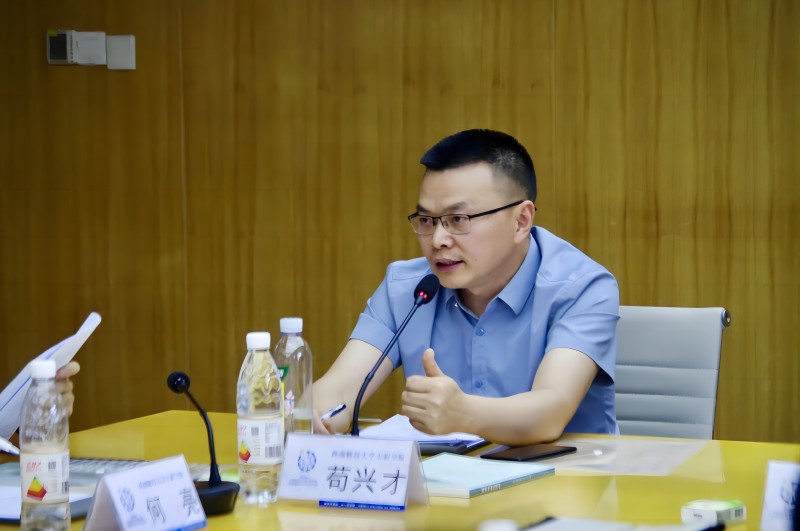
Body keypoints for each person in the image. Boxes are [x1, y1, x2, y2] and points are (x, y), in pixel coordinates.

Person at [312, 129, 619, 445]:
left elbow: (550, 411)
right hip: (443, 476)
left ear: (521, 221)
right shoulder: (407, 289)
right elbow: (339, 391)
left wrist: (462, 413)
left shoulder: (582, 288)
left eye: (458, 219)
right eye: (426, 220)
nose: (437, 240)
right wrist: (310, 416)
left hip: (569, 473)